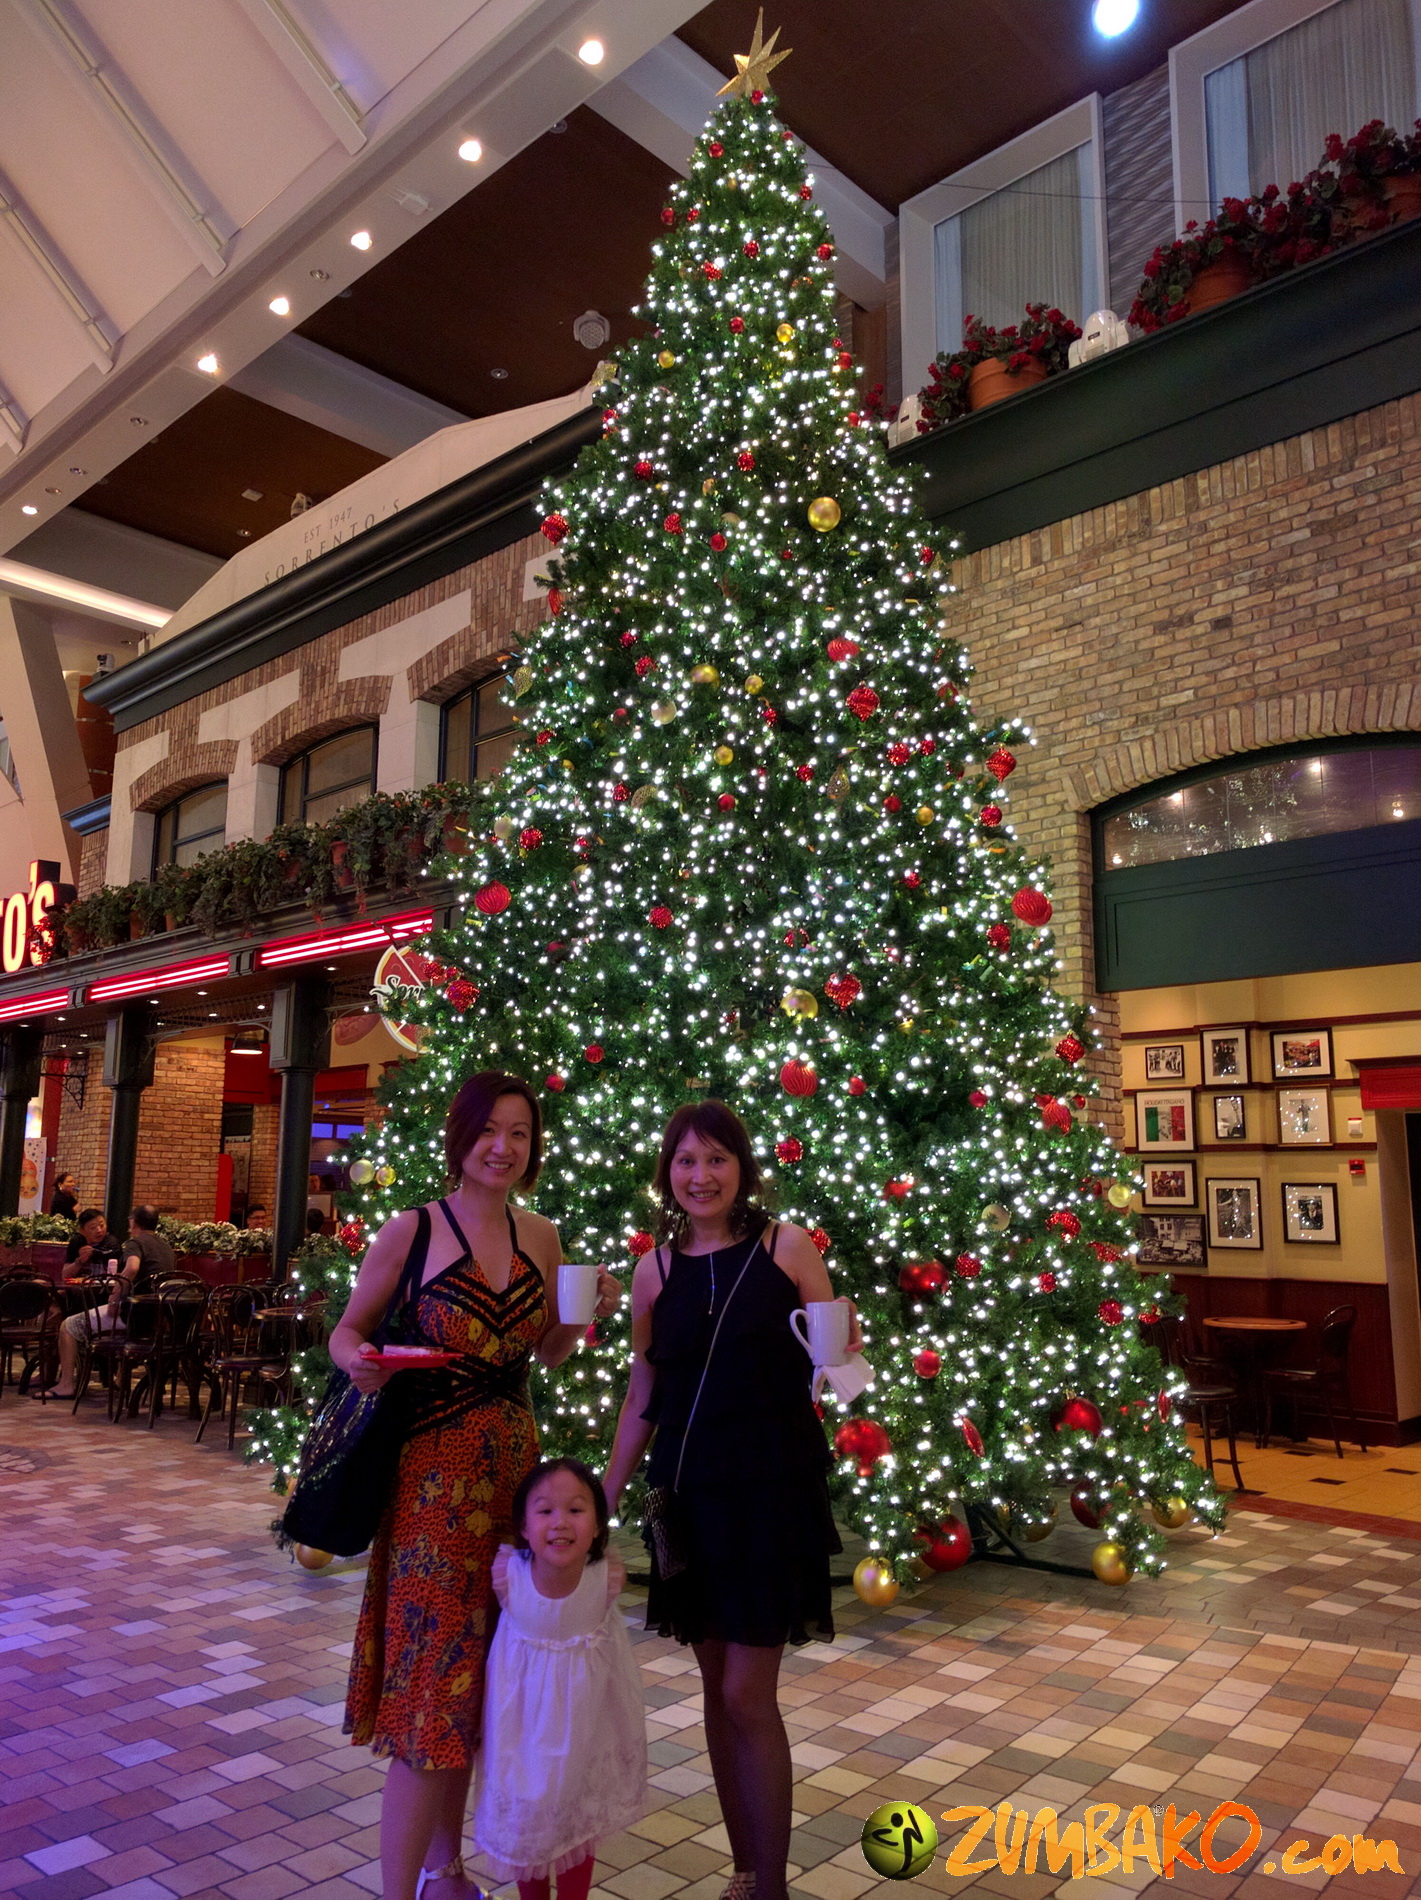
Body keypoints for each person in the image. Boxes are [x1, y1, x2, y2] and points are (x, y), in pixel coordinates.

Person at [331, 1073, 622, 1900]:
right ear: (460, 1136)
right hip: (431, 1488)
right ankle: (411, 1886)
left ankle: (447, 1872)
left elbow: (551, 1352)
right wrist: (358, 1361)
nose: (503, 1147)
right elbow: (347, 1329)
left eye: (520, 1133)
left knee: (491, 1685)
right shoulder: (413, 1229)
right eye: (489, 1129)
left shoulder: (542, 1236)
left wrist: (586, 1314)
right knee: (433, 1694)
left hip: (516, 1489)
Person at [604, 1101, 860, 1900]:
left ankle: (769, 1885)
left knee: (748, 1692)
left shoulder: (787, 1247)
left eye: (716, 1158)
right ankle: (746, 1873)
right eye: (685, 1160)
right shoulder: (653, 1270)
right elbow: (643, 1394)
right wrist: (602, 1496)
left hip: (769, 1493)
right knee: (717, 1693)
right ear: (666, 1173)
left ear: (742, 1168)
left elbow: (837, 1362)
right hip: (687, 1495)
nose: (700, 1175)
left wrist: (847, 1351)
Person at [473, 1459, 646, 1900]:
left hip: (585, 1726)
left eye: (576, 1509)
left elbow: (616, 1663)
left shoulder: (604, 1578)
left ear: (597, 1523)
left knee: (577, 1818)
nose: (560, 1522)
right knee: (527, 1819)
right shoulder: (508, 1574)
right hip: (521, 1729)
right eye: (545, 1510)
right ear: (523, 1526)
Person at [37, 1205, 176, 1401]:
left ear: (133, 1223)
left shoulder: (135, 1243)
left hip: (133, 1317)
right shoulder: (166, 1247)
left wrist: (114, 1297)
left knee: (67, 1326)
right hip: (156, 1320)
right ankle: (114, 1376)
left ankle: (66, 1385)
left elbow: (132, 1268)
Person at [62, 1209, 120, 1281]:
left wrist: (95, 1252)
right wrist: (80, 1262)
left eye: (102, 1225)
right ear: (82, 1231)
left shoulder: (111, 1243)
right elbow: (65, 1275)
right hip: (80, 1285)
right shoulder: (77, 1242)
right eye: (93, 1228)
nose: (99, 1230)